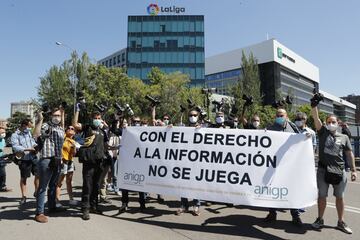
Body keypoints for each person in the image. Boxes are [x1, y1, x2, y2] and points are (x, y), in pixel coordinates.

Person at [310, 99, 357, 234]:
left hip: (339, 171)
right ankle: (320, 219)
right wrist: (314, 106)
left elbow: (349, 154)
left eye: (333, 122)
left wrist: (354, 170)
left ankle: (341, 222)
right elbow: (316, 118)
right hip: (323, 170)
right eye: (328, 122)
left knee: (340, 197)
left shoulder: (344, 137)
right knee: (322, 196)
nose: (331, 124)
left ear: (338, 124)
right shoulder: (322, 132)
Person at [263, 108, 303, 226]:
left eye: (282, 115)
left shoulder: (293, 127)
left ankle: (295, 216)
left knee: (291, 190)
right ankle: (272, 213)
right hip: (274, 165)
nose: (279, 117)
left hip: (289, 165)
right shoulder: (270, 128)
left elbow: (300, 140)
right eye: (278, 115)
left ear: (286, 116)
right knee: (272, 190)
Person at [74, 108, 109, 221]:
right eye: (95, 118)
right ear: (92, 119)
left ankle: (94, 206)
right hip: (89, 162)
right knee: (87, 186)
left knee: (96, 186)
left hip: (99, 162)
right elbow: (75, 124)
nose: (97, 120)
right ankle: (85, 209)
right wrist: (78, 110)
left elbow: (105, 145)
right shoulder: (88, 127)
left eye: (99, 118)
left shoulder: (103, 131)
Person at [33, 108, 66, 223]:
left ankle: (52, 207)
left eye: (59, 115)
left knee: (53, 185)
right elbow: (36, 135)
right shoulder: (46, 126)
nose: (57, 117)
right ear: (51, 115)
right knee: (42, 187)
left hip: (57, 160)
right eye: (55, 115)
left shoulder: (61, 129)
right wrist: (40, 120)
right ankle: (39, 212)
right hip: (47, 159)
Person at [176, 109, 201, 216]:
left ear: (198, 116)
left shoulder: (203, 128)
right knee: (183, 184)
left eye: (195, 115)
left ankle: (196, 205)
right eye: (191, 115)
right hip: (185, 160)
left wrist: (201, 130)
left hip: (197, 161)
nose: (193, 116)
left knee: (196, 183)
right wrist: (169, 129)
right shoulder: (183, 128)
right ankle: (184, 205)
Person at [118, 115, 146, 213]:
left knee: (140, 184)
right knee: (126, 183)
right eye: (134, 121)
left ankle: (142, 204)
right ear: (131, 121)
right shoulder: (126, 131)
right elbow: (115, 130)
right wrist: (122, 125)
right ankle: (124, 204)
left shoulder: (145, 132)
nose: (136, 123)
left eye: (138, 121)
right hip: (128, 162)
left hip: (140, 163)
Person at [11, 119, 39, 204]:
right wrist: (28, 149)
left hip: (33, 157)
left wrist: (36, 146)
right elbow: (15, 147)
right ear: (24, 125)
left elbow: (33, 142)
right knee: (24, 178)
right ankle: (23, 196)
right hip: (24, 159)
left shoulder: (28, 133)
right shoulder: (15, 135)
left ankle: (37, 192)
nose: (30, 128)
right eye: (29, 126)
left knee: (38, 175)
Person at [55, 125, 77, 206]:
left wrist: (74, 147)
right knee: (59, 182)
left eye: (72, 129)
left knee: (69, 181)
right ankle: (57, 201)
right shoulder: (63, 137)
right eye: (69, 128)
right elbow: (58, 148)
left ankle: (71, 199)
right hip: (63, 162)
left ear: (74, 132)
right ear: (66, 130)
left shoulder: (73, 141)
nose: (70, 129)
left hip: (70, 162)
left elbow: (74, 154)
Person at [0, 126, 12, 192]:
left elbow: (4, 149)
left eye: (4, 132)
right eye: (2, 132)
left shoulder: (3, 140)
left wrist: (7, 155)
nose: (3, 134)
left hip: (2, 158)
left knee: (3, 173)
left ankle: (3, 186)